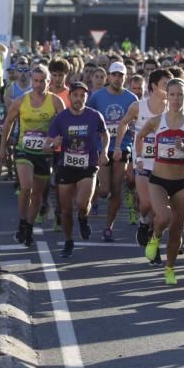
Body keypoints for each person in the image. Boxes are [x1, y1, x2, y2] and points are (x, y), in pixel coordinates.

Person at [136, 78, 184, 284]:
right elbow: (140, 136)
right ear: (167, 96)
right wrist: (139, 159)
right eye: (172, 94)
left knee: (176, 230)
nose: (176, 99)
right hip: (158, 180)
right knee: (163, 217)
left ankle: (170, 268)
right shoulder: (156, 121)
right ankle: (154, 238)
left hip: (182, 182)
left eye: (180, 95)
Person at [0, 65, 64, 247]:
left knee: (38, 196)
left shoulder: (56, 102)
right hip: (24, 149)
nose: (39, 85)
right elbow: (8, 124)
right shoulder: (20, 102)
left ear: (49, 82)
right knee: (26, 187)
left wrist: (58, 140)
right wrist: (2, 148)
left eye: (43, 81)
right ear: (31, 81)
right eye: (36, 81)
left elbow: (65, 126)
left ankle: (28, 226)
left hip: (44, 153)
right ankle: (21, 221)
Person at [46, 81, 108, 257]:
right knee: (65, 210)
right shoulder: (61, 118)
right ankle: (68, 241)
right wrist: (53, 144)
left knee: (81, 203)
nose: (79, 99)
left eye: (83, 96)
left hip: (88, 165)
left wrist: (104, 151)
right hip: (66, 166)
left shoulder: (94, 116)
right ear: (70, 96)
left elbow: (105, 134)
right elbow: (46, 145)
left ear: (86, 97)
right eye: (76, 95)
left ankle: (83, 217)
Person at [117, 68, 170, 247]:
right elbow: (123, 123)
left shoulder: (172, 108)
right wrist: (118, 146)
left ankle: (153, 243)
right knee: (146, 203)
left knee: (158, 208)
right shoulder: (138, 106)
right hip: (142, 159)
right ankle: (143, 220)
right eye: (165, 85)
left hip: (163, 162)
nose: (169, 89)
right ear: (154, 86)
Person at [89, 62, 138, 241]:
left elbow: (137, 125)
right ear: (109, 76)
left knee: (116, 190)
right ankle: (95, 195)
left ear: (125, 77)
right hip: (101, 147)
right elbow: (88, 117)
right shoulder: (97, 97)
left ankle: (108, 227)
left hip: (122, 147)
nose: (118, 78)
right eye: (115, 75)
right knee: (104, 190)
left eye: (121, 75)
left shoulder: (132, 98)